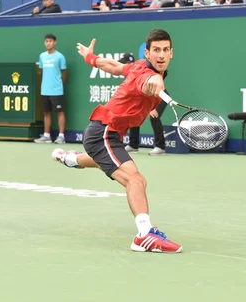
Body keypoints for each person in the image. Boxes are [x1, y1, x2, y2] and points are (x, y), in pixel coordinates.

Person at [51, 29, 182, 253]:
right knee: (136, 180)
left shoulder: (137, 65)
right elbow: (151, 81)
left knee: (107, 160)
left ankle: (72, 159)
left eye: (165, 50)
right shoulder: (148, 74)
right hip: (103, 132)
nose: (161, 55)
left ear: (172, 53)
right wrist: (157, 82)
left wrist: (90, 57)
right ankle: (144, 235)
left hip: (110, 134)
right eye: (156, 50)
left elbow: (113, 67)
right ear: (148, 54)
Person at [117, 53, 168, 156]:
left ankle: (160, 147)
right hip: (149, 98)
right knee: (133, 116)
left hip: (161, 97)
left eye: (124, 63)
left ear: (129, 63)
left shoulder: (141, 71)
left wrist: (154, 108)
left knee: (154, 117)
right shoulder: (130, 75)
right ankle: (133, 145)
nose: (123, 66)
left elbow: (159, 84)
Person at [34, 33, 67, 144]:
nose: (48, 43)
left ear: (54, 42)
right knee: (46, 113)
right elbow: (43, 71)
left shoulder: (60, 57)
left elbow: (64, 73)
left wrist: (59, 85)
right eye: (46, 41)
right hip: (45, 90)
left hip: (56, 90)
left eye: (50, 41)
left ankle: (61, 136)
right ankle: (47, 135)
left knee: (59, 112)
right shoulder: (42, 56)